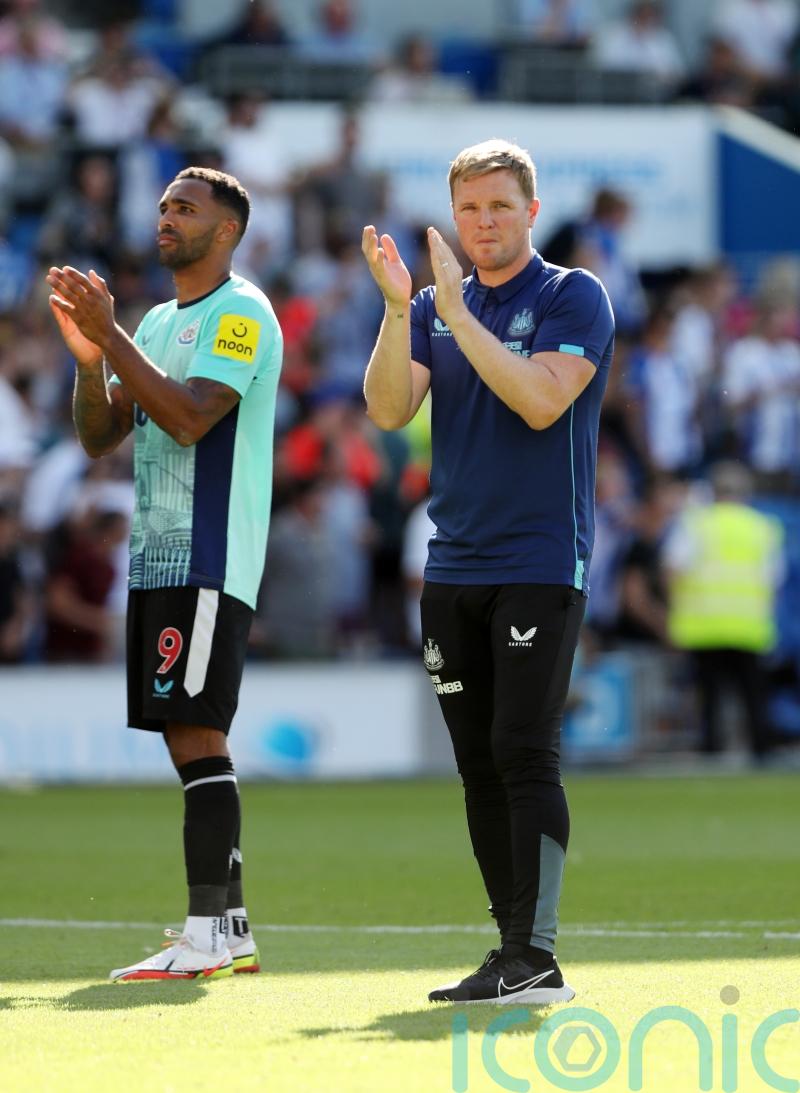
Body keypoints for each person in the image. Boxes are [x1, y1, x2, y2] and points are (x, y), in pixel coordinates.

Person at [361, 139, 614, 1005]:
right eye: (469, 208)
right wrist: (397, 310)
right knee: (476, 762)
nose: (483, 221)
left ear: (531, 210)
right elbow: (388, 409)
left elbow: (542, 400)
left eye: (500, 205)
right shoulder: (432, 306)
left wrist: (456, 315)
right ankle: (512, 953)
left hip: (539, 558)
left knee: (523, 749)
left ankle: (536, 953)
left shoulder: (572, 294)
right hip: (453, 562)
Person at [45, 167, 283, 981]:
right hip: (157, 558)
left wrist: (110, 336)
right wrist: (90, 360)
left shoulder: (241, 312)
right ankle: (232, 929)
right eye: (164, 206)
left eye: (186, 207)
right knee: (189, 737)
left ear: (227, 229)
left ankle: (206, 933)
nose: (167, 217)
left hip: (209, 554)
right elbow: (100, 436)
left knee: (196, 732)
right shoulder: (152, 322)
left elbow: (188, 418)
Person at [664, 461, 784, 759]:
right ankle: (761, 749)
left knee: (709, 695)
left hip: (704, 623)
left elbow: (673, 568)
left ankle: (712, 751)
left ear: (713, 491)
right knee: (752, 692)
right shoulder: (762, 528)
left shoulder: (695, 524)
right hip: (749, 625)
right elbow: (774, 578)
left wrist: (674, 607)